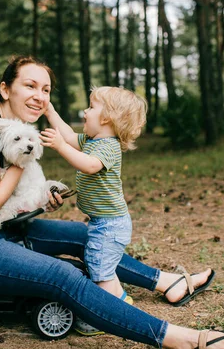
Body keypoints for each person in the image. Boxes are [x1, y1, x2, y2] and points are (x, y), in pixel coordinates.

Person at [0, 55, 224, 348]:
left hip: (1, 228)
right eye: (30, 85)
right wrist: (23, 158)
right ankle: (183, 339)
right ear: (6, 89)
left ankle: (168, 283)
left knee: (86, 236)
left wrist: (39, 199)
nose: (40, 96)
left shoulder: (18, 130)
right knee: (64, 276)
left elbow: (6, 194)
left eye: (46, 89)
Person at [40, 87, 146, 308]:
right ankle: (121, 301)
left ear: (107, 117)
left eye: (91, 107)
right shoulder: (91, 140)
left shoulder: (109, 146)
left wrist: (60, 147)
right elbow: (68, 135)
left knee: (100, 271)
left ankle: (106, 312)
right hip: (103, 222)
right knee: (101, 266)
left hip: (110, 225)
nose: (85, 111)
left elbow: (90, 165)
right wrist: (49, 111)